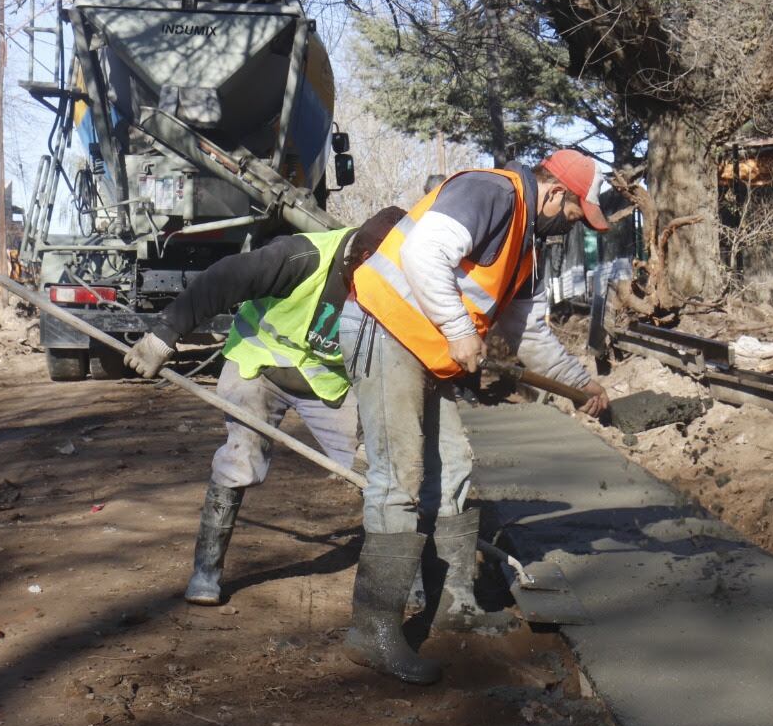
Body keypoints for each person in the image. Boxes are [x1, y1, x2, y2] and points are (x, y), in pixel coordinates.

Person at [340, 150, 612, 685]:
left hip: (427, 348)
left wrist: (582, 385)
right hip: (384, 328)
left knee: (454, 465)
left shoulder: (527, 249)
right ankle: (371, 630)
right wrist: (460, 330)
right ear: (554, 192)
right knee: (399, 479)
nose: (571, 226)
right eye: (575, 214)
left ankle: (453, 602)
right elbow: (422, 252)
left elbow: (529, 335)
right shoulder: (493, 192)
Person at [123, 207, 406, 604]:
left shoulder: (401, 286)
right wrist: (164, 335)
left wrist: (366, 435)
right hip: (259, 365)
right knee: (241, 460)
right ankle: (206, 572)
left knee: (382, 470)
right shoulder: (303, 256)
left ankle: (401, 580)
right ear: (353, 259)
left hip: (326, 382)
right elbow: (224, 278)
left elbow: (386, 367)